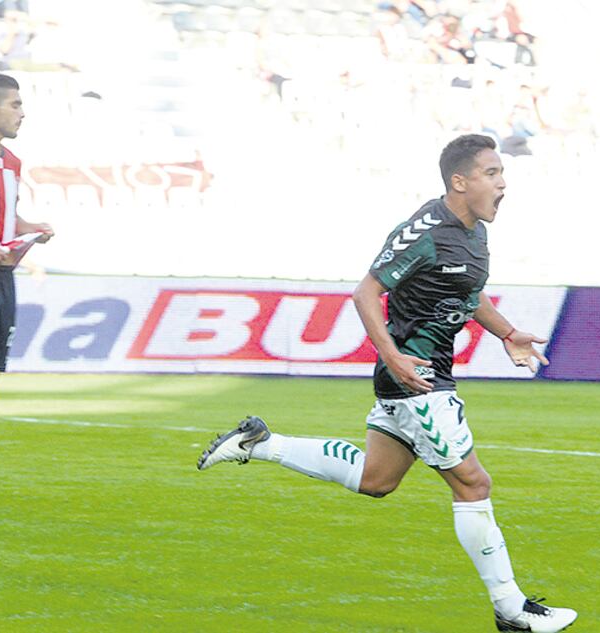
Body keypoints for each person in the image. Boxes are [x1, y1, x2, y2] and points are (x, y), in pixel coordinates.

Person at [197, 134, 578, 632]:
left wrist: (506, 332)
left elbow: (468, 290)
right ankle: (511, 608)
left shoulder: (474, 231)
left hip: (421, 374)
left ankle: (261, 443)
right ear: (459, 182)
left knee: (377, 479)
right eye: (491, 173)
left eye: (501, 172)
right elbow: (366, 292)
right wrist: (395, 357)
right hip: (419, 376)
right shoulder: (425, 230)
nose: (502, 182)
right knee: (473, 483)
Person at [0, 72, 54, 506]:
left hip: (3, 283)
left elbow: (7, 217)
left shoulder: (13, 163)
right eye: (16, 104)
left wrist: (31, 229)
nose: (23, 112)